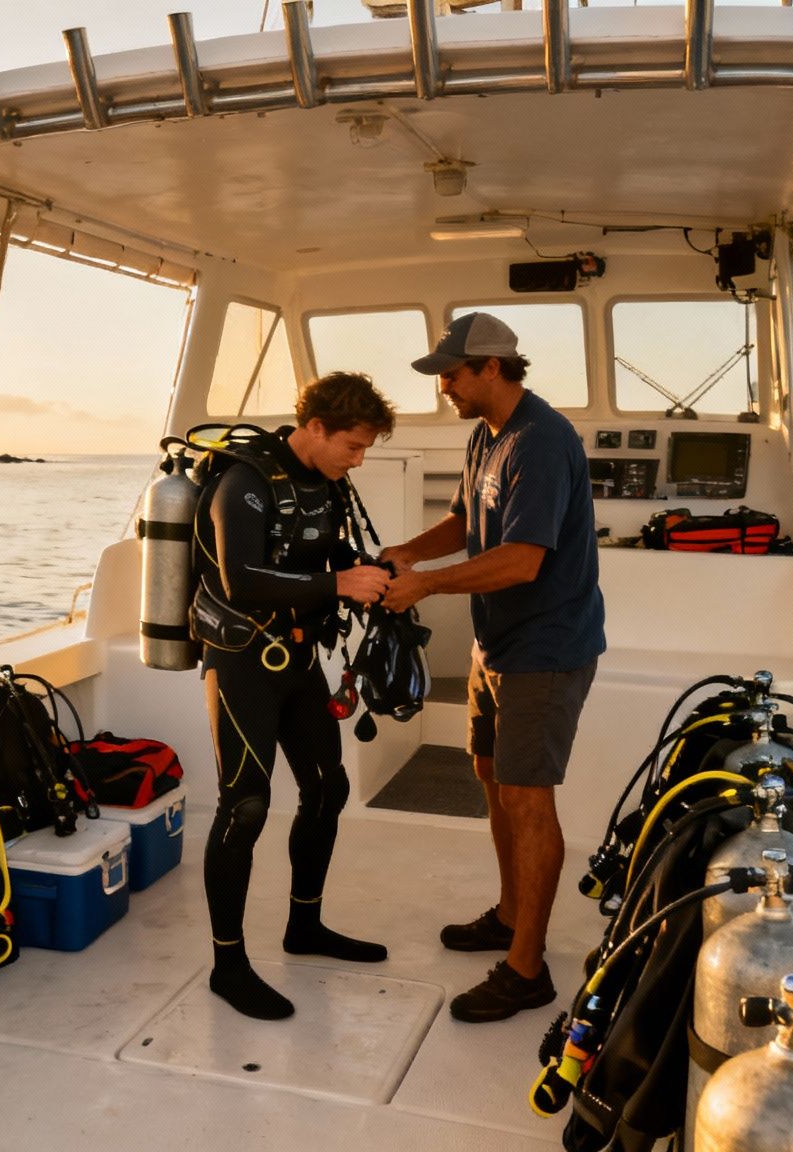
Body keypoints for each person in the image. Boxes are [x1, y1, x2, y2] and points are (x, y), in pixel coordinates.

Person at [380, 312, 606, 1023]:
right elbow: (465, 522)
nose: (443, 385)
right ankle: (511, 915)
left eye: (450, 372)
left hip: (545, 649)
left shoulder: (540, 442)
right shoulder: (485, 436)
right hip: (496, 648)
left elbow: (521, 559)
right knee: (492, 780)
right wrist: (408, 554)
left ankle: (526, 969)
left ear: (491, 368)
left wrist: (426, 585)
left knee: (529, 798)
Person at [191, 372, 398, 1020]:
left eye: (365, 449)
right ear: (315, 428)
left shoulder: (325, 484)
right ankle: (228, 965)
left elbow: (325, 552)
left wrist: (368, 573)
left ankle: (303, 928)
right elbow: (242, 578)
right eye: (353, 446)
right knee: (245, 805)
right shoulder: (244, 481)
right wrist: (339, 584)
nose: (358, 459)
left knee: (327, 788)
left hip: (296, 657)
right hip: (242, 661)